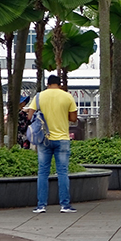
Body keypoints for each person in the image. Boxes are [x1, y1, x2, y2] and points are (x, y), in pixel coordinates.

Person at [31, 75, 79, 214]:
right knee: (62, 172)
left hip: (43, 139)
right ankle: (65, 205)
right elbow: (73, 118)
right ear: (60, 84)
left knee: (43, 172)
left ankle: (41, 206)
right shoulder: (67, 96)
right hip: (62, 138)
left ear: (47, 84)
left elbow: (30, 116)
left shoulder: (39, 97)